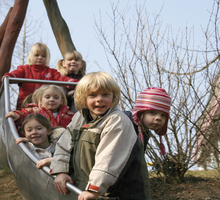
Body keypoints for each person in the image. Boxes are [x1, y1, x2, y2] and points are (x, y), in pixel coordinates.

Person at [49, 72, 152, 200]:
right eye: (93, 95)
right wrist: (61, 171)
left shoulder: (117, 121)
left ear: (113, 97)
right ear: (83, 98)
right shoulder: (79, 118)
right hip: (92, 189)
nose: (99, 99)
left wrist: (94, 188)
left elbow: (109, 158)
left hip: (119, 193)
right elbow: (64, 146)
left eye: (105, 94)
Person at [2, 43, 78, 108]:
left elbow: (63, 79)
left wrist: (76, 83)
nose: (40, 58)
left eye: (43, 56)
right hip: (26, 104)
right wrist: (9, 76)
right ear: (31, 56)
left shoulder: (51, 72)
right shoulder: (24, 69)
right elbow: (16, 74)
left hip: (46, 106)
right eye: (37, 55)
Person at [5, 85, 74, 137]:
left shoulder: (68, 114)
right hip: (40, 141)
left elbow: (76, 124)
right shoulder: (35, 111)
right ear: (40, 100)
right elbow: (23, 114)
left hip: (61, 142)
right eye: (47, 97)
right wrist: (17, 115)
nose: (52, 99)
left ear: (61, 101)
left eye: (56, 98)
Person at [132, 87, 172, 155]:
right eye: (152, 112)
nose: (158, 118)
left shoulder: (145, 133)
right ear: (141, 113)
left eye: (163, 115)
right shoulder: (125, 124)